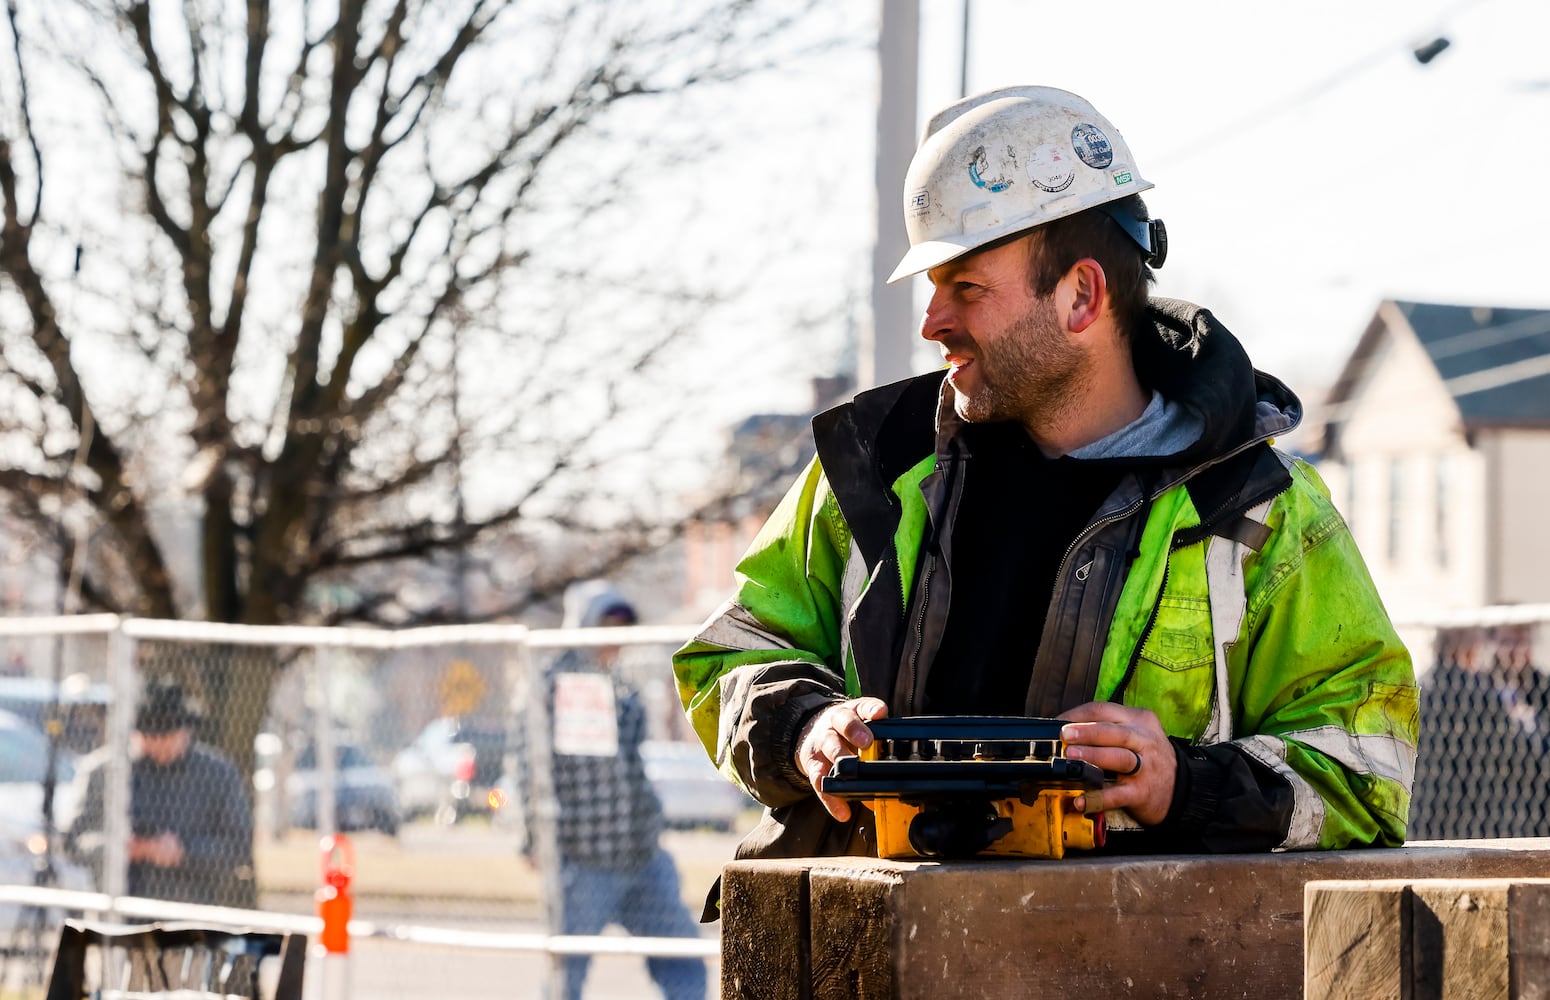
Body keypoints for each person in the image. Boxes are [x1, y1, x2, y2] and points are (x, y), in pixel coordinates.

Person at [672, 86, 1418, 905]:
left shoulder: (1260, 509)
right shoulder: (875, 472)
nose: (931, 322)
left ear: (1080, 297)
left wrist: (1185, 783)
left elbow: (1366, 768)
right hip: (873, 956)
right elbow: (728, 658)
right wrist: (809, 727)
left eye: (966, 287)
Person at [511, 581, 706, 1000]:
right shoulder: (548, 685)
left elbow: (634, 766)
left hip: (640, 855)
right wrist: (533, 838)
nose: (615, 640)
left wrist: (650, 827)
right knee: (568, 972)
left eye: (622, 628)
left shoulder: (622, 689)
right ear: (585, 626)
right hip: (582, 859)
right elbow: (529, 767)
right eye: (607, 626)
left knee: (683, 956)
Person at [67, 678, 256, 908]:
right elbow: (74, 839)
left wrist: (183, 851)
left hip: (194, 912)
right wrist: (119, 847)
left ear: (185, 731)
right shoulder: (104, 770)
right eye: (149, 736)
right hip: (118, 907)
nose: (157, 744)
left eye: (165, 736)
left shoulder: (218, 773)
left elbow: (239, 846)